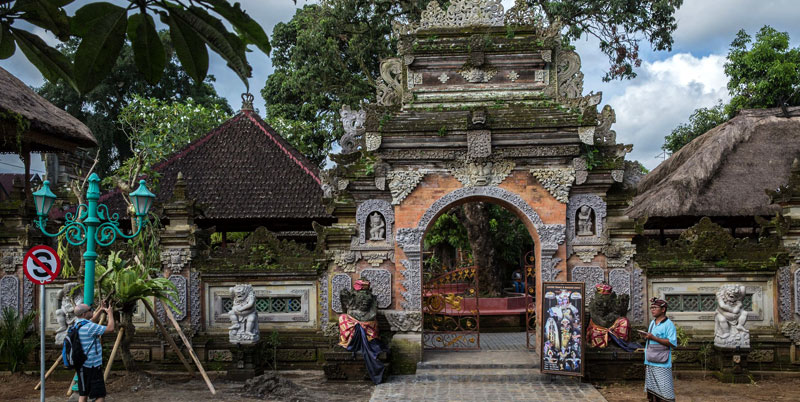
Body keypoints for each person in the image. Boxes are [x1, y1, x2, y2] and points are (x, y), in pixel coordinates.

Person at [72, 302, 115, 402]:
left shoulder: (77, 324)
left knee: (83, 394)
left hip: (81, 366)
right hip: (93, 366)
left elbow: (91, 320)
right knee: (100, 396)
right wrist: (110, 313)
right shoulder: (90, 327)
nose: (92, 310)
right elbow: (111, 328)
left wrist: (100, 310)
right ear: (83, 314)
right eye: (90, 310)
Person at [641, 298, 677, 402]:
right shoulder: (652, 323)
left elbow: (672, 343)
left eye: (655, 308)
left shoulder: (668, 324)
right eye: (651, 308)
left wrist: (653, 338)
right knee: (652, 391)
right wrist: (646, 337)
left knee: (665, 391)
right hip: (650, 360)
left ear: (663, 309)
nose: (652, 310)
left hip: (662, 363)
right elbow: (650, 341)